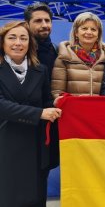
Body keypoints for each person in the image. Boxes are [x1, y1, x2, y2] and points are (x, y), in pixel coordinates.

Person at [0, 21, 62, 207]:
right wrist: (39, 113)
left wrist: (59, 103)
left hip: (36, 147)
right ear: (2, 42)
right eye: (12, 38)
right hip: (6, 146)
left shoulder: (40, 70)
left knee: (35, 198)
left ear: (30, 43)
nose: (18, 43)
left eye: (23, 38)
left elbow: (45, 101)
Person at [51, 12, 105, 98]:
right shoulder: (64, 57)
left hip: (100, 109)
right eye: (84, 28)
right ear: (76, 32)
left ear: (98, 34)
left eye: (93, 29)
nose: (89, 32)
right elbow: (57, 92)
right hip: (73, 109)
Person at [24, 2, 57, 79]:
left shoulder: (57, 51)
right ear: (27, 24)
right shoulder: (19, 50)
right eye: (38, 21)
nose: (44, 25)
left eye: (47, 20)